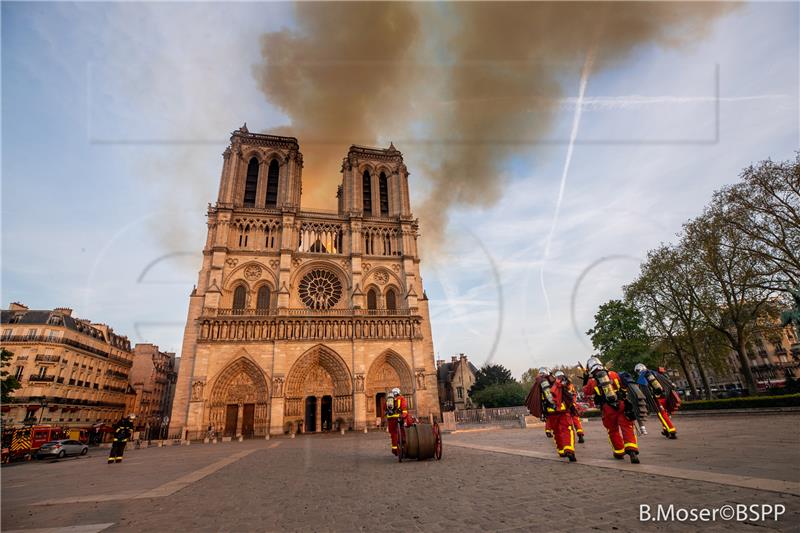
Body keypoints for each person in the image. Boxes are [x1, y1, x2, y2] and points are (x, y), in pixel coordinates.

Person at [582, 357, 640, 464]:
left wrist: (585, 380)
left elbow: (586, 392)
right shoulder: (613, 374)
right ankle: (632, 451)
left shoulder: (592, 381)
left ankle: (619, 451)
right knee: (627, 427)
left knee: (612, 430)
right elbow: (624, 385)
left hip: (607, 409)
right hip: (621, 404)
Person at [635, 363, 679, 439]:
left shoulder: (643, 376)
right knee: (665, 414)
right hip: (666, 396)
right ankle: (665, 430)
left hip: (657, 399)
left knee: (662, 415)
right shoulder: (655, 373)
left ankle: (672, 431)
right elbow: (667, 381)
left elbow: (644, 391)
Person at [549, 371, 577, 461]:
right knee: (567, 430)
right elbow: (571, 394)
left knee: (556, 432)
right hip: (563, 411)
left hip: (551, 412)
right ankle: (569, 449)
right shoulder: (564, 383)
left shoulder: (548, 385)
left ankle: (561, 451)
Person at [555, 370, 585, 443]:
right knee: (576, 420)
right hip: (572, 404)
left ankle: (569, 437)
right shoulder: (570, 384)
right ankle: (580, 433)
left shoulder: (559, 385)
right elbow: (574, 394)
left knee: (567, 422)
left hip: (565, 406)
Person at [385, 388, 413, 456]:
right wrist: (404, 415)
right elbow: (404, 407)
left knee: (393, 434)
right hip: (398, 417)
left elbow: (384, 408)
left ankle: (395, 450)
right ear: (398, 392)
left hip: (390, 418)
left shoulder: (389, 399)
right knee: (402, 430)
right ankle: (404, 443)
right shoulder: (401, 398)